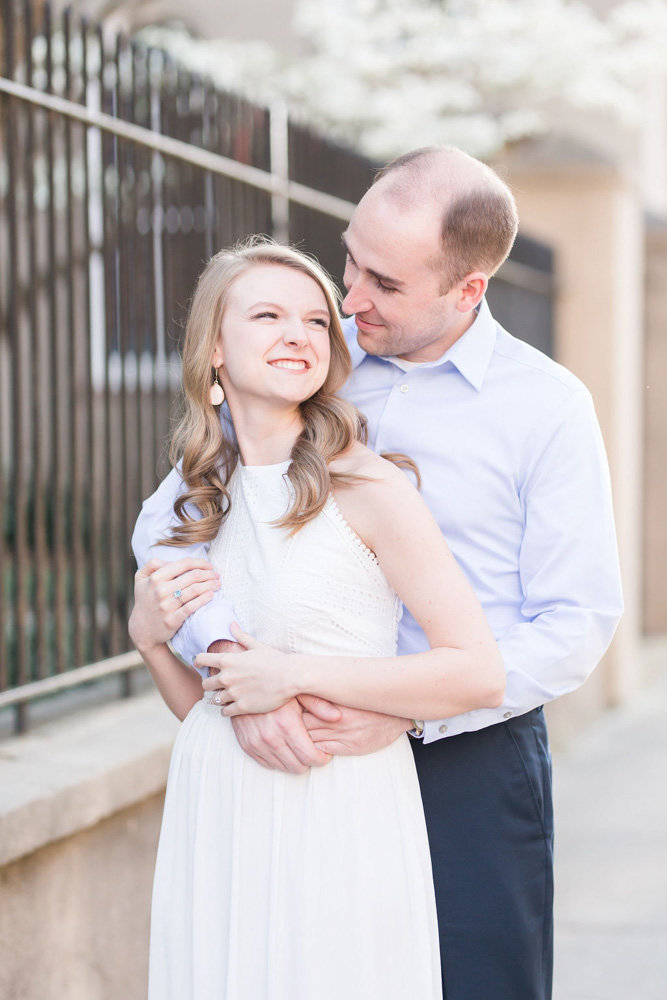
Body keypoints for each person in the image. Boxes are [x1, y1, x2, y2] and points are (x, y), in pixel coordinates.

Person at [132, 147, 624, 1000]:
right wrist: (235, 662)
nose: (349, 298)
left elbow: (574, 621)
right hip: (298, 749)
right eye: (350, 261)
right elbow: (171, 523)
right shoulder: (305, 362)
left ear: (466, 290)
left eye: (384, 283)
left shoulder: (544, 407)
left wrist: (403, 709)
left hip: (469, 755)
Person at [129, 238, 506, 1000]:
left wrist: (291, 675)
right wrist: (149, 642)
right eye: (267, 316)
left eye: (314, 320)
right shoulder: (193, 500)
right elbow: (206, 712)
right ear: (213, 351)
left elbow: (478, 671)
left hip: (337, 815)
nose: (297, 334)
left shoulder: (368, 488)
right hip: (218, 812)